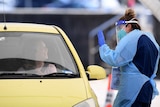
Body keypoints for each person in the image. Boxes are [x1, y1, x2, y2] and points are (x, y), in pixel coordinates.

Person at [97, 8, 160, 107]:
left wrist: (103, 47)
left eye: (121, 28)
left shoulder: (132, 38)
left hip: (133, 91)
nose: (119, 32)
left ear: (129, 26)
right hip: (146, 90)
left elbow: (115, 59)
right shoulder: (150, 38)